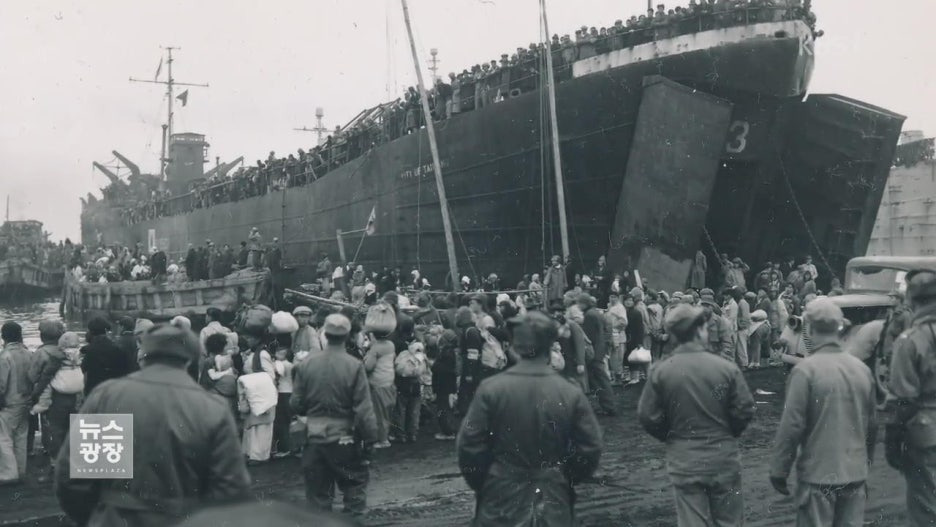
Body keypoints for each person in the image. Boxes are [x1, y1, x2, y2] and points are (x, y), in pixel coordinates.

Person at [55, 324, 251, 526]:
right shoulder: (212, 408)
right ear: (190, 359)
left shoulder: (107, 395)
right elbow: (231, 490)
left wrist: (97, 518)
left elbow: (73, 480)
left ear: (143, 354)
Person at [457, 311, 602, 526]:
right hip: (552, 495)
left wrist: (488, 481)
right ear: (550, 346)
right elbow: (590, 447)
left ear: (514, 347)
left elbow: (469, 446)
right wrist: (563, 477)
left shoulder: (491, 388)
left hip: (501, 495)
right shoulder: (569, 391)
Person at [638, 304, 755, 527]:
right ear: (700, 330)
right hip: (722, 455)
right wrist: (728, 432)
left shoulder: (661, 371)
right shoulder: (725, 368)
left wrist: (672, 436)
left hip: (684, 458)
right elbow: (744, 409)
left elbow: (647, 416)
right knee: (730, 521)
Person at [770, 298, 875, 526]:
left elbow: (792, 425)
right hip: (854, 474)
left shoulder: (805, 371)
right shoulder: (862, 369)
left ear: (809, 328)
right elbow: (871, 424)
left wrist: (780, 468)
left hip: (818, 474)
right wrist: (865, 463)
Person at [291, 313, 378, 516]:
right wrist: (370, 441)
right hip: (345, 440)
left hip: (314, 439)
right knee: (354, 491)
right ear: (347, 335)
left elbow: (296, 404)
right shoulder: (354, 366)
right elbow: (364, 411)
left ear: (325, 334)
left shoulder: (306, 364)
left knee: (318, 499)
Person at [887, 269, 936, 526]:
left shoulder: (911, 340)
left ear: (912, 300)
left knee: (925, 506)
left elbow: (903, 399)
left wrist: (892, 438)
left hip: (925, 432)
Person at [0, 322, 34, 483]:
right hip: (26, 401)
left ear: (3, 337)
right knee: (21, 437)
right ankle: (20, 470)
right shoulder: (28, 353)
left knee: (4, 438)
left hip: (9, 403)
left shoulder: (4, 356)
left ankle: (8, 474)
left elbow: (1, 384)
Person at [363, 303, 397, 449]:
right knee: (387, 412)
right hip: (389, 382)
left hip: (377, 384)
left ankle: (382, 440)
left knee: (379, 413)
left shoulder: (375, 349)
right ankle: (387, 435)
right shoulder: (390, 345)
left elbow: (368, 367)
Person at [579, 294, 617, 416]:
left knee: (600, 380)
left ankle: (609, 406)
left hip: (594, 352)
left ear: (584, 303)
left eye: (579, 303)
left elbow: (588, 337)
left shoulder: (589, 315)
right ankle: (608, 406)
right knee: (600, 379)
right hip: (599, 350)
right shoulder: (596, 313)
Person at [81, 317, 136, 395]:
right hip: (114, 390)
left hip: (94, 390)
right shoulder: (117, 348)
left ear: (91, 332)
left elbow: (84, 370)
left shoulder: (89, 350)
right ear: (106, 331)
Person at [431, 329, 459, 441]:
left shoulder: (447, 352)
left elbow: (440, 368)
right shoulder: (450, 351)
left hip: (444, 386)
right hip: (447, 385)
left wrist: (433, 365)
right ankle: (448, 430)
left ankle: (448, 432)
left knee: (443, 409)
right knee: (446, 408)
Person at [699, 289, 733, 360]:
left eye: (708, 306)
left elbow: (726, 341)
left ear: (712, 306)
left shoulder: (719, 321)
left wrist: (723, 354)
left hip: (714, 356)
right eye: (703, 305)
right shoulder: (694, 320)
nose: (705, 308)